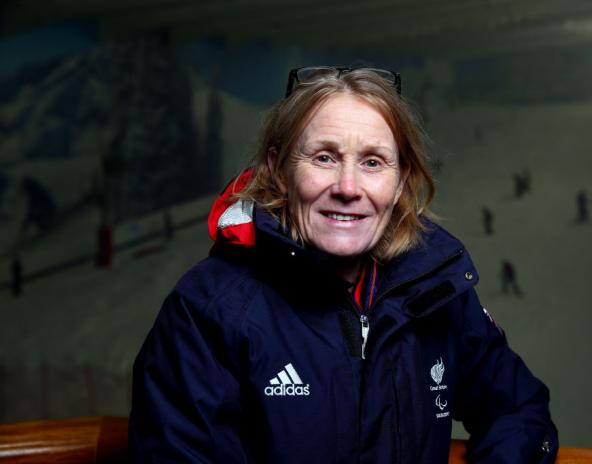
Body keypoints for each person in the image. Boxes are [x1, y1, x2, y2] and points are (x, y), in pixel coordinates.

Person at [129, 66, 557, 463]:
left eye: (373, 162)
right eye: (324, 158)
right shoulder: (209, 310)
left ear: (401, 179)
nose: (348, 188)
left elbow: (520, 410)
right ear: (279, 170)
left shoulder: (433, 291)